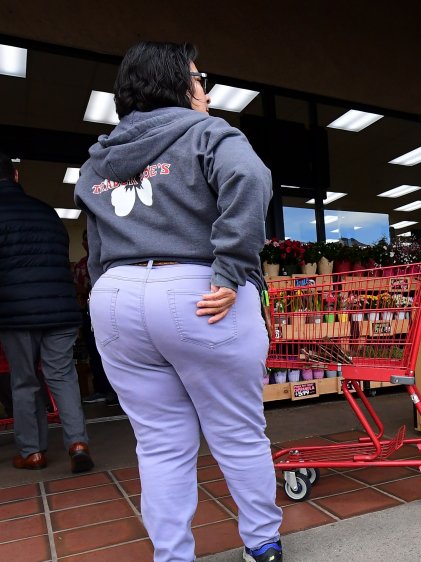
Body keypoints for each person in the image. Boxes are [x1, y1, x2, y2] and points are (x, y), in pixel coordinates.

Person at [73, 42, 282, 562]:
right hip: (199, 292)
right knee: (236, 429)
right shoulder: (208, 134)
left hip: (117, 297)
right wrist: (234, 269)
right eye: (198, 77)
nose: (205, 90)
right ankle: (261, 542)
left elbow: (94, 243)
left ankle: (172, 555)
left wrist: (104, 287)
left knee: (160, 441)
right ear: (176, 83)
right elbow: (251, 179)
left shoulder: (96, 162)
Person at [0, 152, 94, 473]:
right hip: (60, 307)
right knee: (62, 375)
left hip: (16, 312)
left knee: (25, 381)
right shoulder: (46, 211)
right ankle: (77, 443)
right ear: (15, 176)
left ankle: (32, 452)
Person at [73, 230, 117, 407]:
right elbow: (78, 290)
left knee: (117, 350)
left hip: (112, 308)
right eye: (84, 240)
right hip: (89, 312)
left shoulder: (110, 261)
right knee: (95, 351)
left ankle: (117, 391)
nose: (87, 243)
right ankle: (102, 390)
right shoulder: (80, 266)